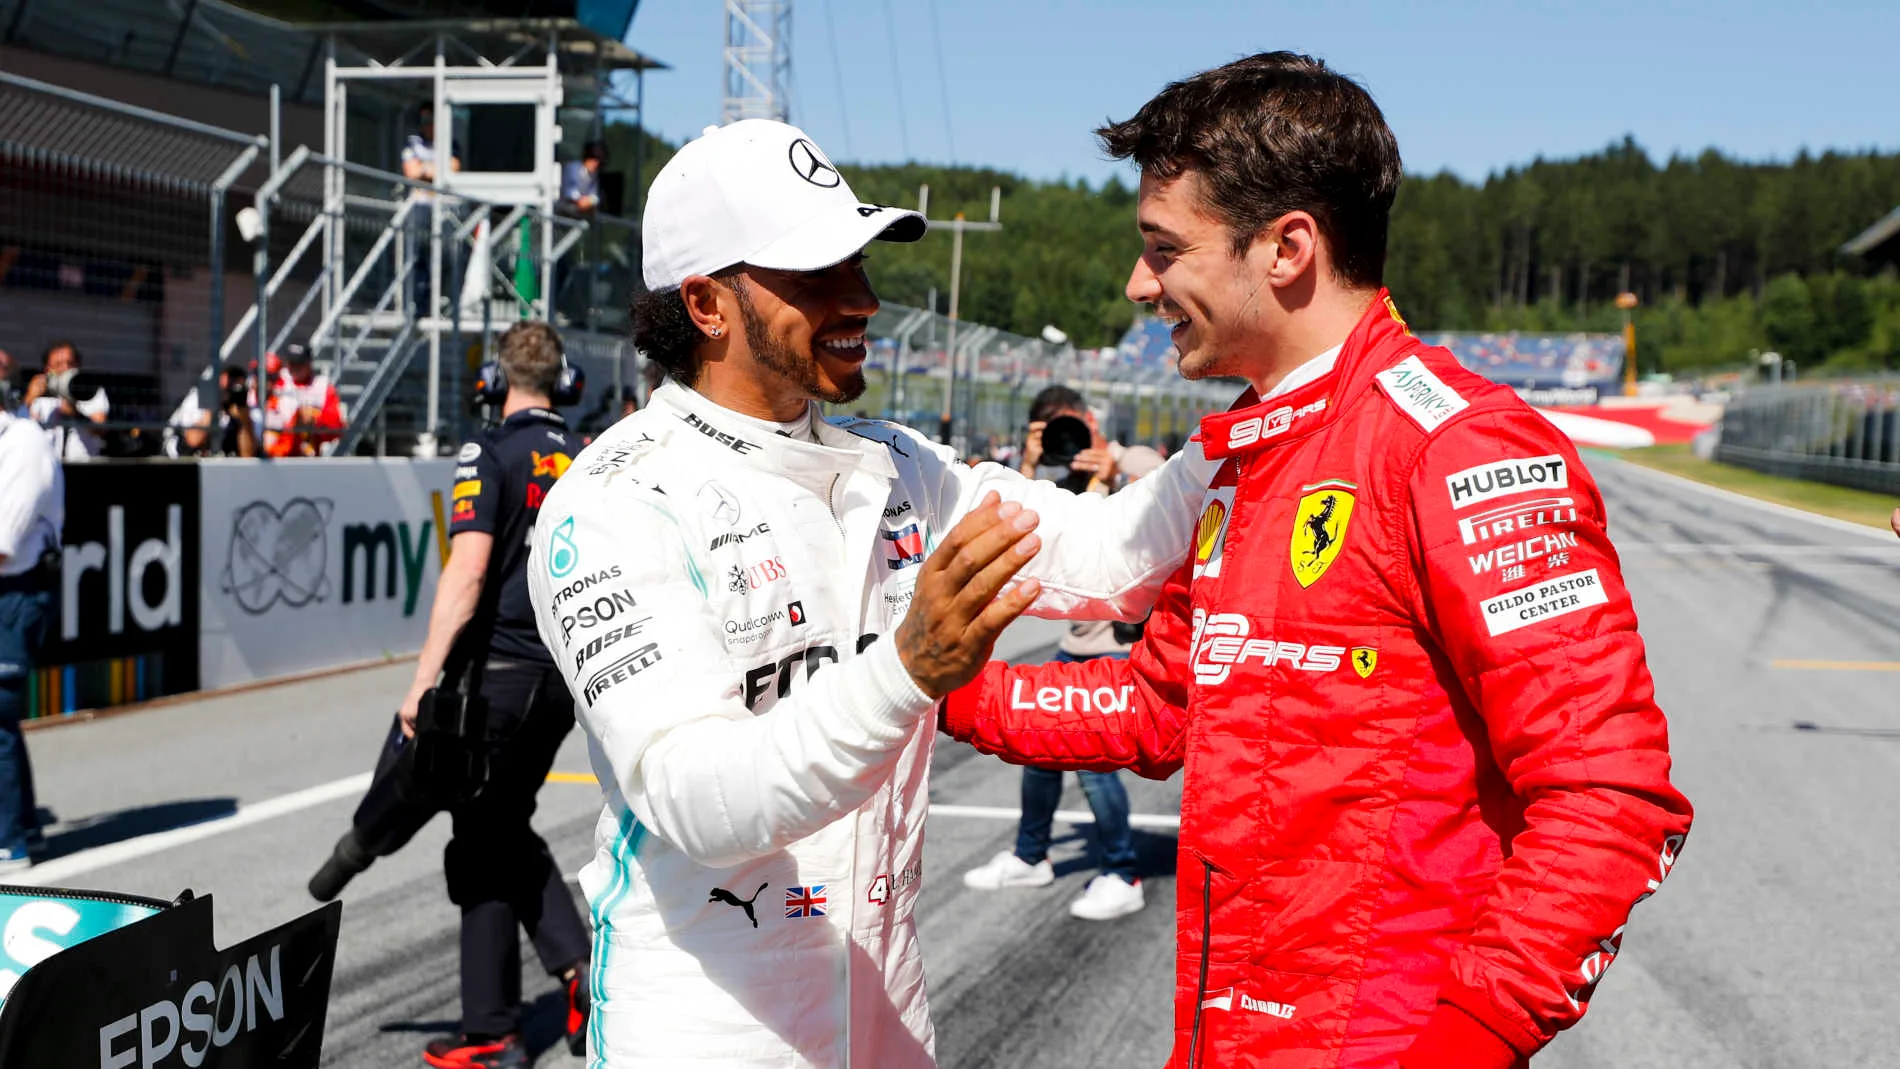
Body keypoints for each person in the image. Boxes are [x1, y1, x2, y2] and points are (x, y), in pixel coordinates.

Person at [938, 52, 1694, 1069]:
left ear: (1287, 248)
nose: (1139, 283)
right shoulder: (1252, 451)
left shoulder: (1458, 447)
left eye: (1164, 249)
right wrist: (932, 689)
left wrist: (1463, 1046)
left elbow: (1608, 795)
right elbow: (1163, 704)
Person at [527, 118, 1217, 1066]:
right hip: (707, 1033)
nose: (863, 297)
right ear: (705, 303)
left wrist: (1265, 411)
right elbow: (697, 799)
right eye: (818, 271)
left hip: (888, 1010)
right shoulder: (613, 501)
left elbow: (1110, 558)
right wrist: (906, 670)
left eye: (857, 259)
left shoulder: (897, 463)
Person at [308, 321, 591, 1069]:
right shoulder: (590, 457)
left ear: (494, 383)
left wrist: (422, 681)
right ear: (565, 384)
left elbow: (467, 574)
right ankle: (575, 976)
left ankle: (496, 1030)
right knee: (495, 827)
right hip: (563, 679)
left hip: (497, 676)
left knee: (480, 839)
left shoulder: (488, 452)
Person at [963, 386, 1145, 921]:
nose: (1070, 437)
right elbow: (1009, 526)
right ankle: (1031, 856)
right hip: (1075, 645)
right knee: (1039, 751)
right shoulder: (1057, 484)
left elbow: (1164, 492)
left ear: (1090, 419)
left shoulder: (1131, 459)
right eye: (1051, 430)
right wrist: (1028, 464)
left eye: (1070, 424)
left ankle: (1123, 872)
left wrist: (1113, 471)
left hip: (1118, 647)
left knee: (1092, 763)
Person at [0, 400, 60, 872]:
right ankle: (24, 829)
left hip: (18, 592)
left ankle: (8, 843)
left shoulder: (24, 442)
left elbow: (4, 543)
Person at [22, 340, 108, 460]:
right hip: (49, 465)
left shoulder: (90, 390)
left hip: (84, 464)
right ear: (48, 369)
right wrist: (30, 398)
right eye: (58, 365)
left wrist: (75, 414)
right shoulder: (40, 397)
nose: (66, 368)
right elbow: (18, 429)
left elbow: (100, 429)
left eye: (70, 363)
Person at [165, 361, 260, 458]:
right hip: (191, 462)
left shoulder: (245, 411)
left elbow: (248, 455)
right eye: (228, 383)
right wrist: (214, 407)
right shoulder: (196, 401)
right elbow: (193, 441)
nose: (230, 390)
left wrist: (244, 420)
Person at [266, 343, 345, 457]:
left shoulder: (322, 386)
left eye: (300, 363)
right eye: (292, 363)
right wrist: (295, 419)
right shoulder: (277, 381)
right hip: (277, 453)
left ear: (309, 363)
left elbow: (336, 427)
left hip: (307, 456)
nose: (295, 367)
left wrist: (314, 420)